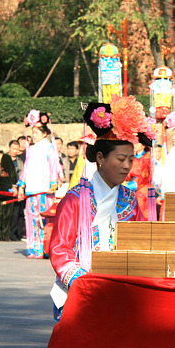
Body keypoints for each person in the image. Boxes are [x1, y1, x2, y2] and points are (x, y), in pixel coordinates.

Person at [48, 98, 150, 318]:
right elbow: (60, 249)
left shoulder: (130, 201)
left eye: (131, 159)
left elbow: (142, 241)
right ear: (101, 158)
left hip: (122, 287)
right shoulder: (75, 200)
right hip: (83, 288)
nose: (126, 166)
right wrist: (84, 282)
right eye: (121, 158)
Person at [17, 110, 62, 258]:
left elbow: (54, 166)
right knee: (31, 219)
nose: (33, 135)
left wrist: (53, 182)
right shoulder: (32, 149)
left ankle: (45, 247)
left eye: (36, 132)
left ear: (44, 133)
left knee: (43, 220)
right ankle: (33, 247)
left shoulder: (50, 147)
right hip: (32, 190)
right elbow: (26, 169)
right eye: (33, 132)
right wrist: (21, 185)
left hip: (44, 190)